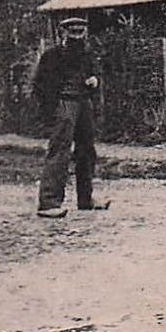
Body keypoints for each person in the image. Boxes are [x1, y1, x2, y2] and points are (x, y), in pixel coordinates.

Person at [35, 17, 108, 218]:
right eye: (73, 32)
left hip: (84, 104)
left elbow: (95, 76)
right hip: (64, 104)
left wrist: (95, 81)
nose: (77, 35)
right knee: (60, 151)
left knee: (87, 151)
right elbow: (41, 86)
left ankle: (86, 199)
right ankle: (49, 203)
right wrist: (52, 111)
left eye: (80, 32)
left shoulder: (88, 55)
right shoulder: (52, 56)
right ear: (63, 33)